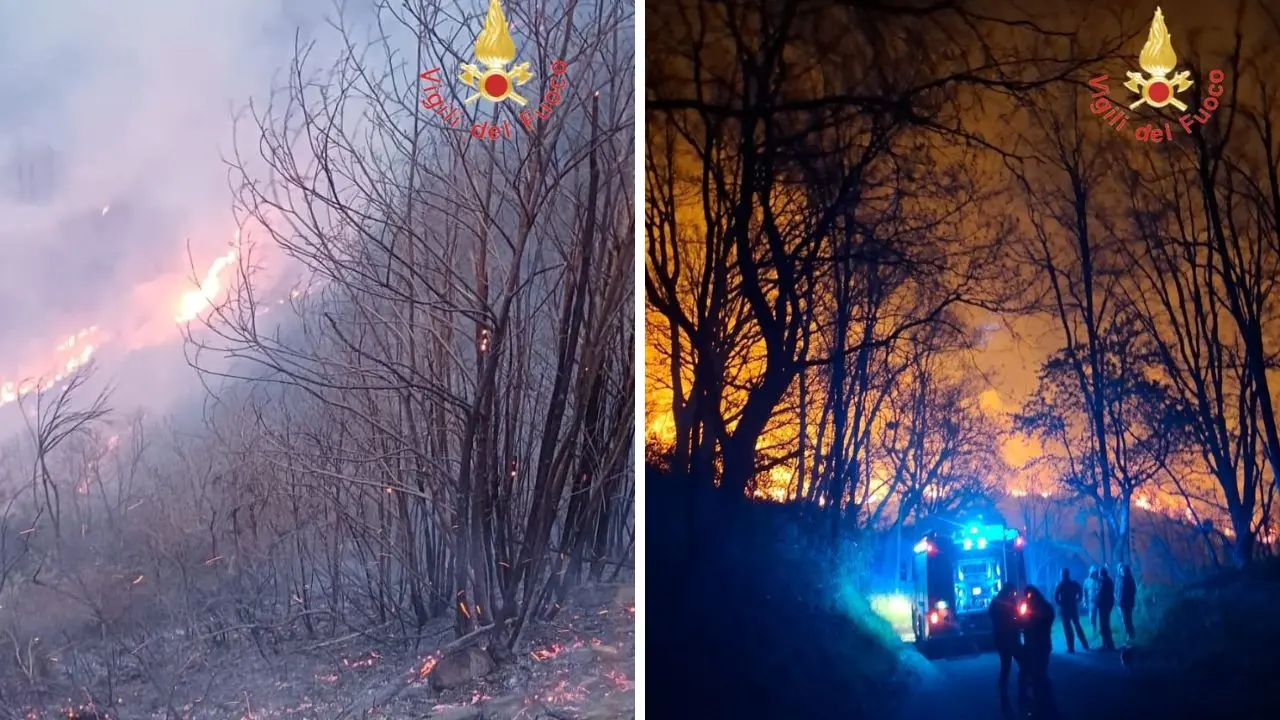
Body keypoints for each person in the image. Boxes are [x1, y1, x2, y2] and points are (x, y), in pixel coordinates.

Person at [1021, 585, 1056, 712]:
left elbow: (1040, 623)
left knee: (1039, 672)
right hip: (1036, 644)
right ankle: (1043, 700)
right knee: (1037, 672)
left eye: (1028, 595)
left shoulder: (1042, 607)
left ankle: (1044, 702)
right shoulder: (1037, 606)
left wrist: (1028, 621)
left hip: (1039, 644)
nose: (1027, 598)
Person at [989, 584, 1023, 700]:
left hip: (1005, 639)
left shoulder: (997, 603)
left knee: (1006, 666)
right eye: (1012, 592)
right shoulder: (1004, 604)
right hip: (1009, 639)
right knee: (1020, 664)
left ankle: (1005, 693)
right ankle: (1018, 693)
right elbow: (1013, 619)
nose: (1013, 595)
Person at [1053, 568, 1090, 653]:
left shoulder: (1061, 585)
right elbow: (1080, 592)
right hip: (1071, 608)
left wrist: (1060, 603)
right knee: (1075, 626)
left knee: (1069, 628)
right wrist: (1078, 599)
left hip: (1066, 609)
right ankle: (1084, 645)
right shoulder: (1071, 584)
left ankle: (1072, 647)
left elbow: (1056, 597)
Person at [1096, 566, 1117, 651]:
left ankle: (1107, 644)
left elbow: (1100, 593)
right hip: (1107, 605)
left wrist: (1096, 598)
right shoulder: (1108, 580)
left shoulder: (1104, 581)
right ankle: (1107, 644)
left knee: (1104, 625)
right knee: (1105, 624)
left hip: (1104, 605)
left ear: (1101, 573)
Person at [1119, 564, 1138, 642]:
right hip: (1128, 603)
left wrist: (1121, 601)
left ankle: (1130, 636)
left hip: (1126, 603)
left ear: (1125, 571)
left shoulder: (1126, 580)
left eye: (1122, 571)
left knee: (1126, 620)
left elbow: (1124, 593)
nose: (1121, 572)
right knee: (1128, 619)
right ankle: (1131, 635)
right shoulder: (1130, 579)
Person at [1084, 566, 1099, 634]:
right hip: (1091, 601)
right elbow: (1084, 592)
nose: (1094, 574)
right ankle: (1094, 628)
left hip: (1099, 600)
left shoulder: (1098, 580)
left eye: (1095, 572)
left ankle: (1100, 628)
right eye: (1092, 572)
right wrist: (1085, 601)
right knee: (1092, 615)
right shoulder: (1087, 581)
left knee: (1099, 615)